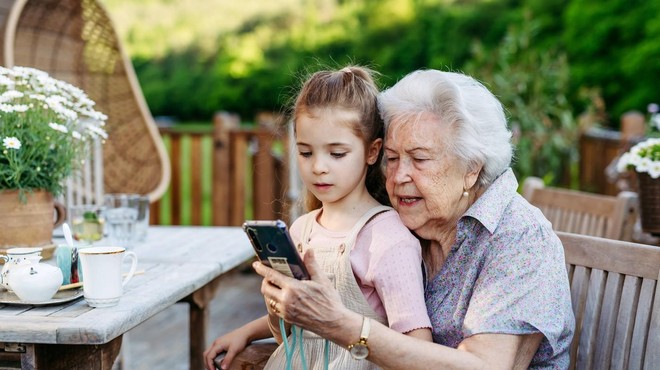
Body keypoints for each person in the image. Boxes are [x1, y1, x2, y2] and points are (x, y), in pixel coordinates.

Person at [253, 69, 575, 369]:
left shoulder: (519, 239)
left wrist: (344, 326)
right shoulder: (409, 224)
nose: (398, 176)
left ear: (471, 168)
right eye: (392, 158)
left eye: (419, 159)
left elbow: (485, 366)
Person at [204, 65, 432, 370]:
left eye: (336, 154)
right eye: (306, 152)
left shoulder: (387, 239)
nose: (318, 167)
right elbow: (298, 331)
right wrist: (254, 327)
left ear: (372, 151)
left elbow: (418, 347)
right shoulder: (302, 230)